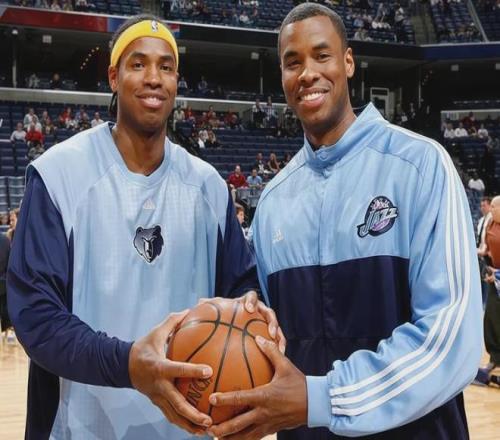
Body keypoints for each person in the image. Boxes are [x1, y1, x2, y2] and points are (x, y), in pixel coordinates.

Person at [207, 4, 482, 439]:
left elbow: (450, 341)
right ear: (282, 76)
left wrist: (322, 398)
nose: (307, 73)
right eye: (293, 63)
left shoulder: (420, 165)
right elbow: (270, 342)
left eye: (322, 55)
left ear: (348, 62)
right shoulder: (273, 201)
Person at [7, 15, 281, 440]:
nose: (154, 77)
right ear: (113, 77)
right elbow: (36, 317)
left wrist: (256, 316)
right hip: (78, 428)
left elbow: (243, 293)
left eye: (165, 67)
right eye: (138, 64)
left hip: (188, 428)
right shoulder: (59, 174)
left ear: (176, 82)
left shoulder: (208, 186)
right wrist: (129, 364)